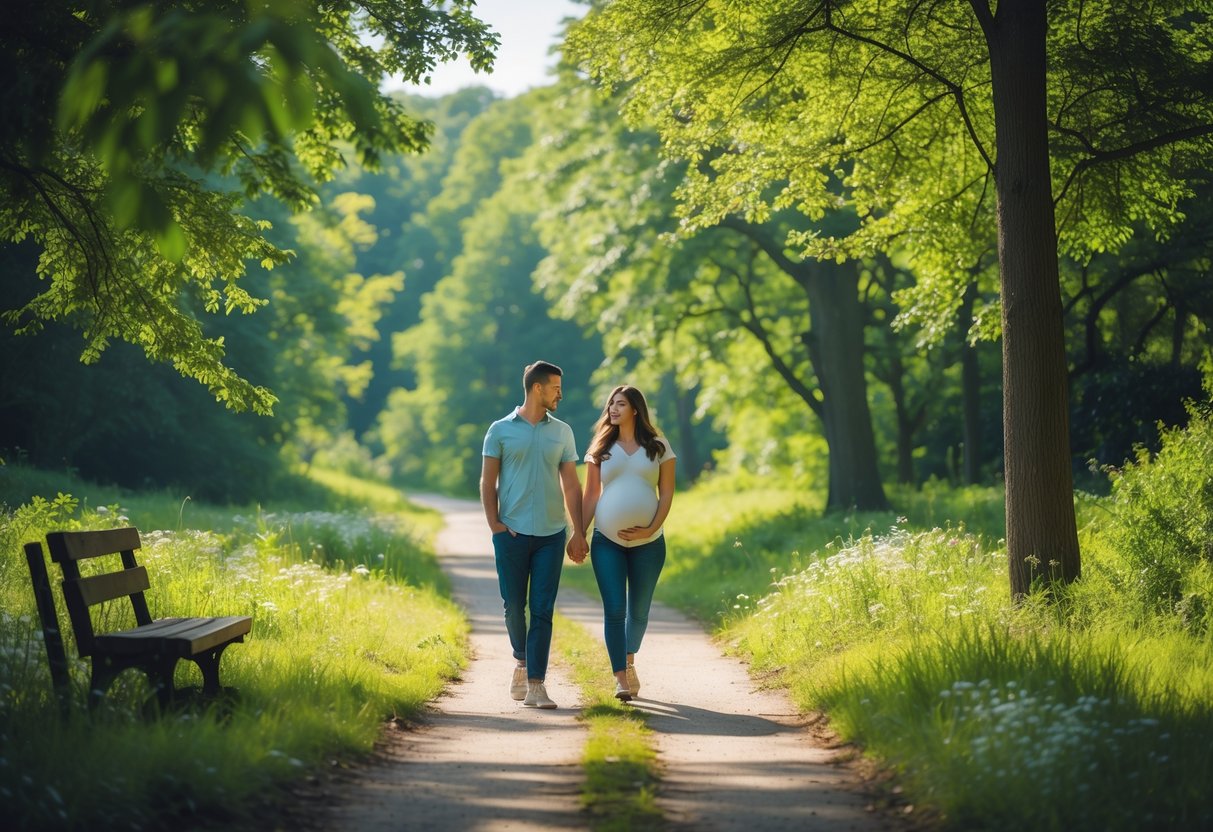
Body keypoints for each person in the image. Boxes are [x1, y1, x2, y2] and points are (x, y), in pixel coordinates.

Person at [481, 360, 589, 710]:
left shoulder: (563, 431)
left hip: (550, 534)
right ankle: (521, 660)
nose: (561, 393)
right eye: (556, 387)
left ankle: (537, 685)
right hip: (511, 533)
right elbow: (487, 480)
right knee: (514, 606)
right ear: (537, 388)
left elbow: (572, 484)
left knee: (542, 609)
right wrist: (495, 525)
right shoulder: (500, 430)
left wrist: (578, 530)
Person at [581, 385, 676, 702]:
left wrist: (650, 528)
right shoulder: (600, 447)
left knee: (639, 613)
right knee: (614, 611)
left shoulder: (659, 446)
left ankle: (629, 658)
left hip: (650, 544)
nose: (613, 409)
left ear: (635, 409)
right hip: (606, 541)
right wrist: (579, 533)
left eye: (620, 404)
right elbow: (591, 494)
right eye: (611, 404)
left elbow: (666, 495)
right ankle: (620, 678)